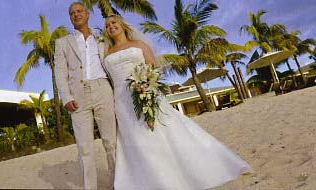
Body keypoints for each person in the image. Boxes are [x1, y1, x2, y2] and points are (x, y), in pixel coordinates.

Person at [103, 14, 253, 190]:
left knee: (160, 131)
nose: (111, 26)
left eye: (114, 23)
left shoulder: (138, 45)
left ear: (122, 25)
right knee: (133, 137)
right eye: (107, 25)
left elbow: (151, 65)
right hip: (121, 101)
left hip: (145, 91)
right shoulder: (107, 53)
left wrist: (145, 86)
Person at [54, 2, 117, 190]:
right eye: (72, 13)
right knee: (85, 147)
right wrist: (66, 97)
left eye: (79, 11)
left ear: (88, 14)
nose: (76, 14)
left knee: (111, 141)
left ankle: (118, 184)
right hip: (78, 97)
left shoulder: (102, 38)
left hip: (102, 89)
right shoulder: (62, 43)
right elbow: (60, 72)